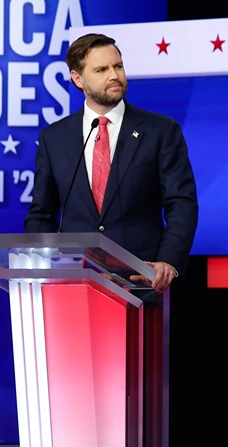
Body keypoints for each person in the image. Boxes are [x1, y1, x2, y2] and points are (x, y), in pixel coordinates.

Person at [25, 33, 198, 294]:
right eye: (101, 69)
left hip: (143, 284)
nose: (114, 75)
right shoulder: (54, 138)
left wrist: (168, 261)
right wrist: (41, 263)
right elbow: (41, 215)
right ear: (77, 79)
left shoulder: (160, 131)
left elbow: (181, 203)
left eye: (118, 66)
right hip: (72, 286)